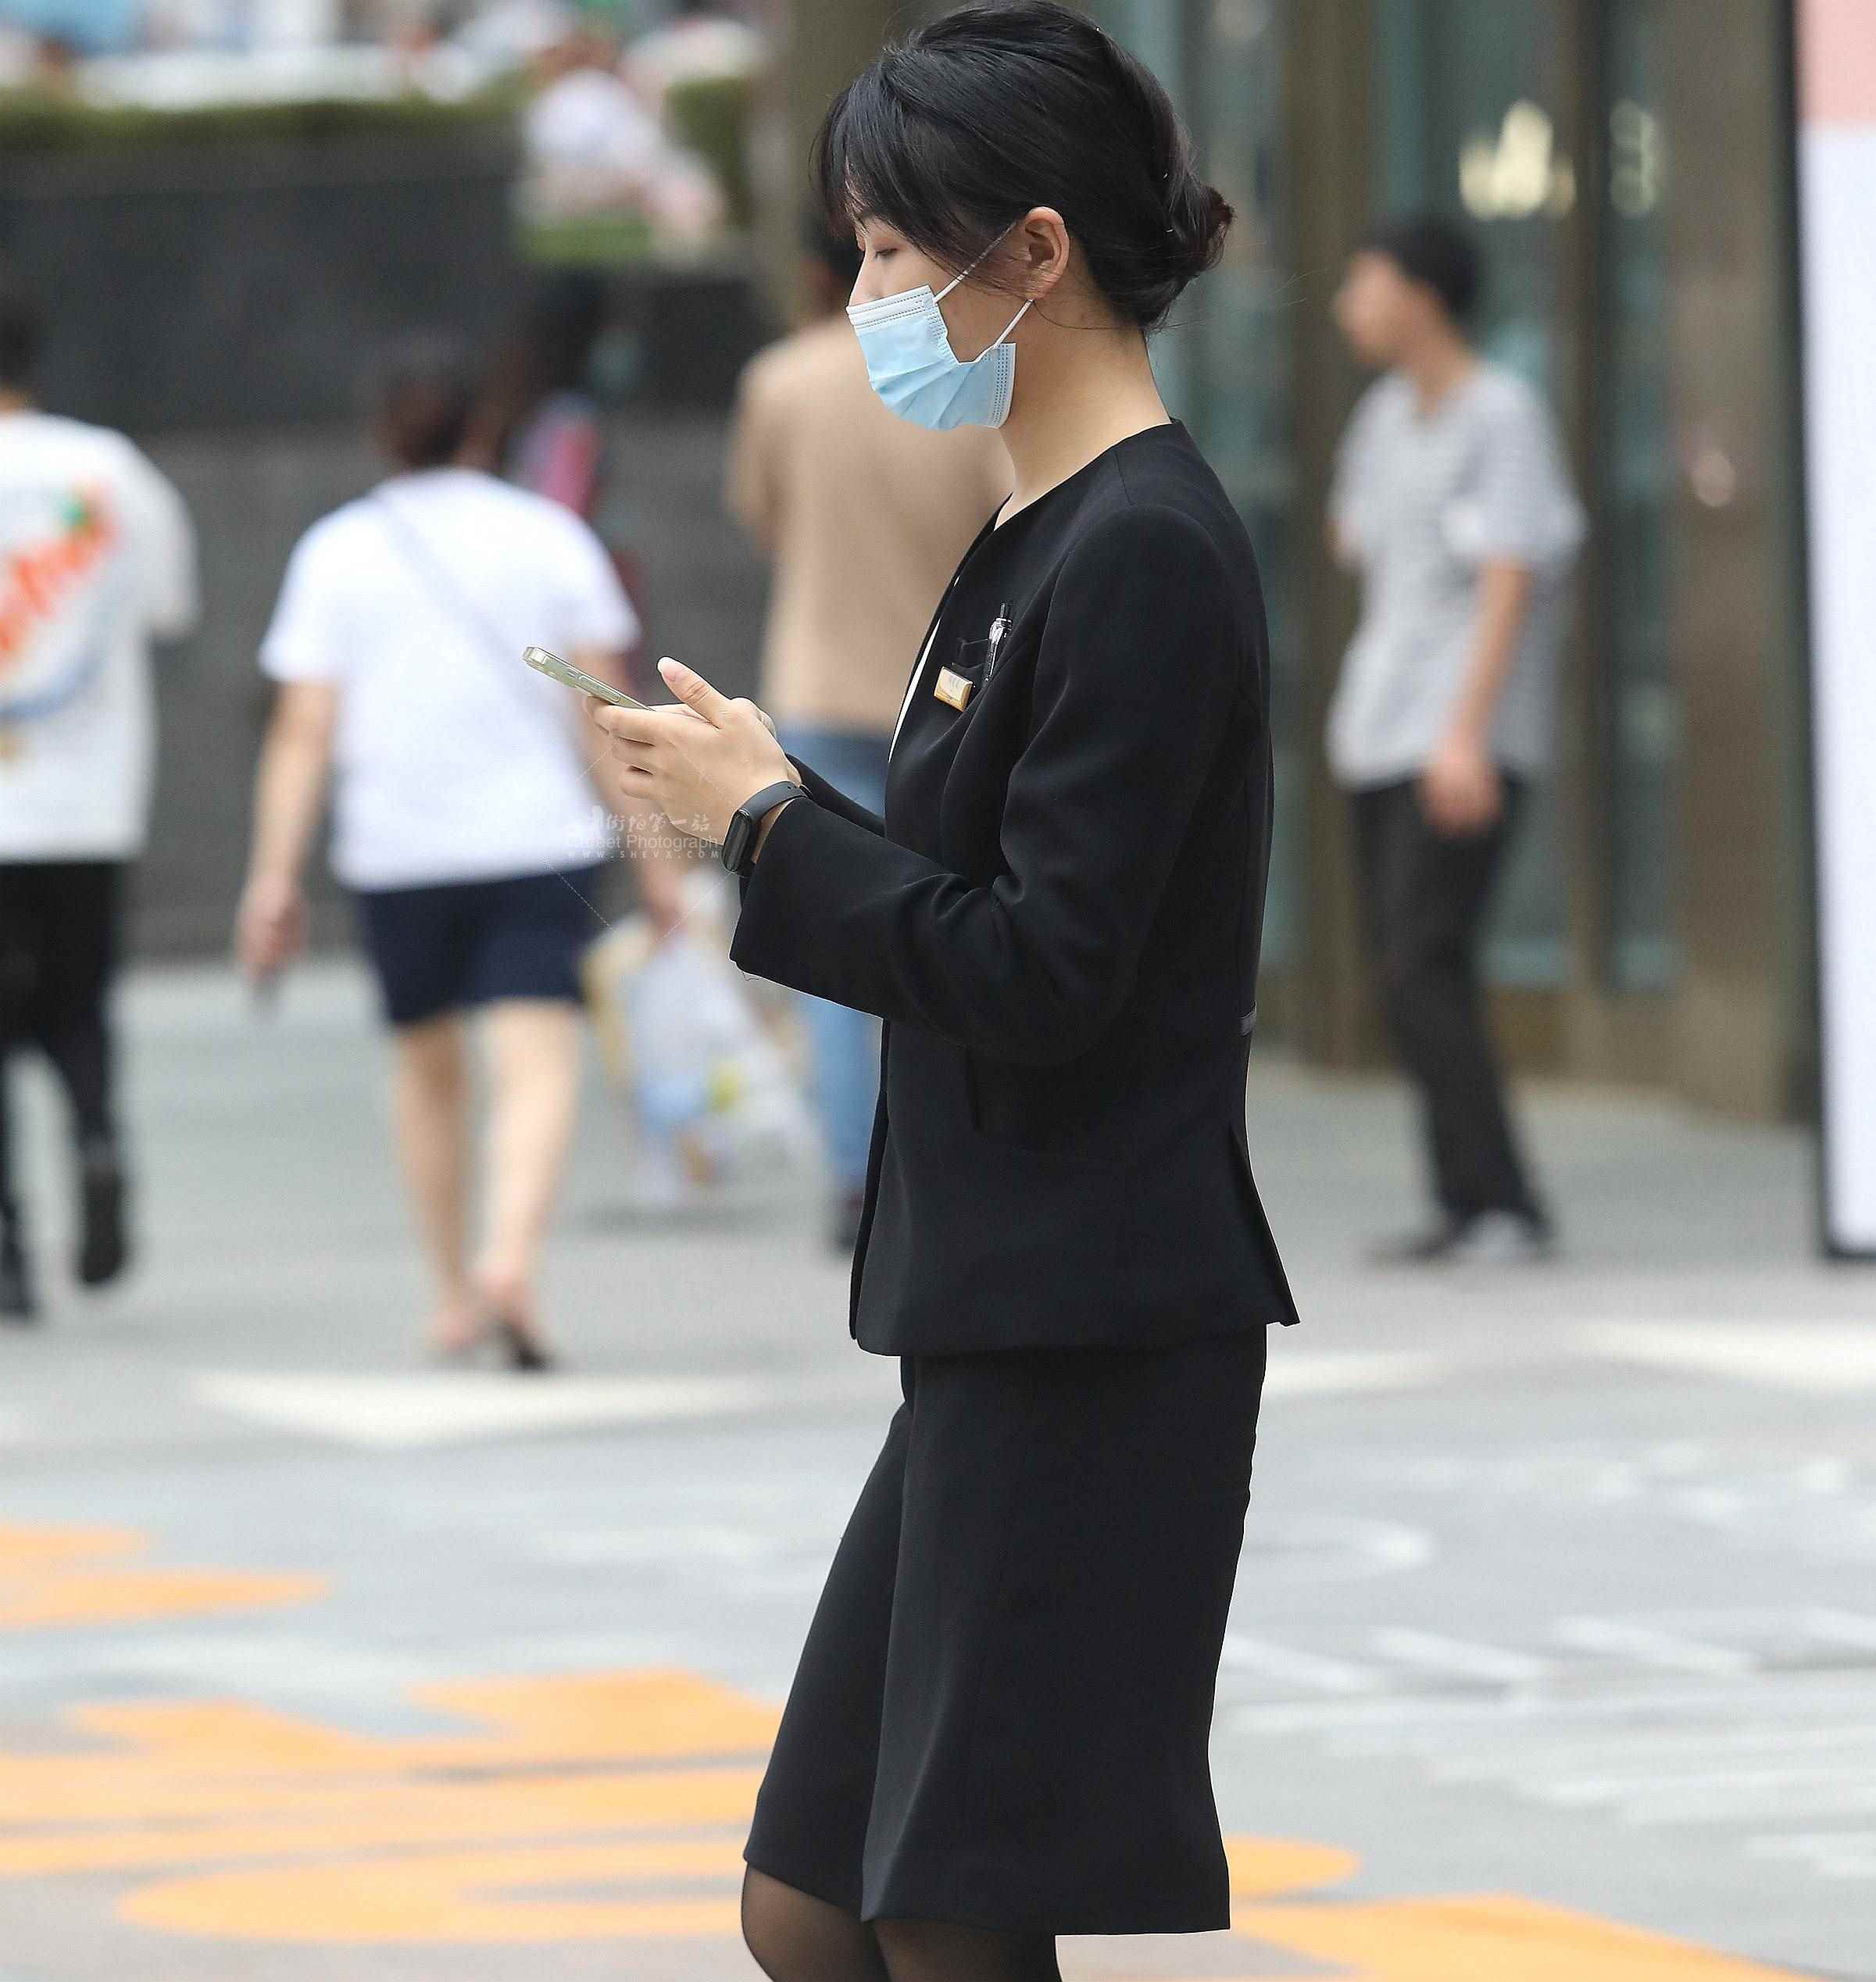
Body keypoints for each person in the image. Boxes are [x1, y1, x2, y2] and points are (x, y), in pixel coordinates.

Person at [592, 7, 1300, 1975]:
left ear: (1038, 252)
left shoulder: (1140, 547)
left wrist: (770, 833)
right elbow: (985, 896)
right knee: (814, 1903)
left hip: (1097, 1320)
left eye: (898, 250)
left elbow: (1047, 968)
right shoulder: (1033, 529)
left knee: (944, 1916)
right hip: (1005, 1307)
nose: (870, 297)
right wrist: (764, 797)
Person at [234, 334, 651, 1372]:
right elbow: (603, 711)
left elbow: (302, 730)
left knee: (426, 1073)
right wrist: (659, 862)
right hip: (535, 840)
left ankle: (453, 1294)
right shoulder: (549, 535)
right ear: (483, 424)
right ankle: (510, 1257)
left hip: (397, 850)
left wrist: (273, 876)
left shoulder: (336, 551)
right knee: (536, 1061)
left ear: (383, 434)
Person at [724, 216, 1007, 1252]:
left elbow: (761, 514)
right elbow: (1009, 517)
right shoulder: (968, 384)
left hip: (816, 681)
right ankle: (935, 1160)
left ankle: (856, 1173)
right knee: (947, 926)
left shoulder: (779, 381)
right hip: (943, 692)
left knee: (837, 941)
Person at [1327, 211, 1586, 1266]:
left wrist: (1466, 734)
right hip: (1377, 728)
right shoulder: (1383, 415)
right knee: (1407, 972)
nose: (1348, 306)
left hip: (1457, 737)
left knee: (1425, 961)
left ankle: (1505, 1203)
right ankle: (1462, 1199)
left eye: (1367, 283)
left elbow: (1511, 578)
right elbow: (1353, 538)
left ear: (1424, 297)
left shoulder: (1502, 415)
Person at [0, 266, 198, 1323]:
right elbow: (169, 606)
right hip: (88, 798)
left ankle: (8, 1250)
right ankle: (96, 1141)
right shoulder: (108, 469)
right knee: (79, 1003)